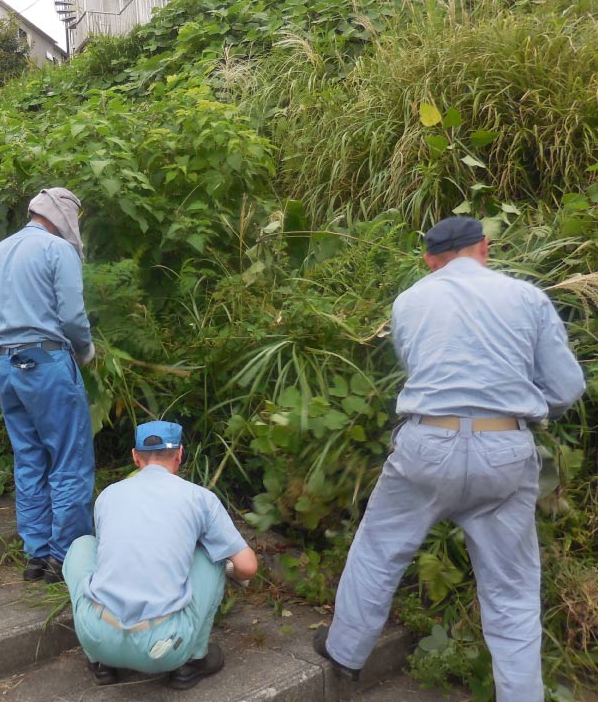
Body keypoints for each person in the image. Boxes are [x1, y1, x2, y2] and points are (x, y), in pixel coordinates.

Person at [315, 216, 585, 702]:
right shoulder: (527, 297)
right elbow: (566, 387)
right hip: (505, 447)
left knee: (379, 549)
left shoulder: (410, 300)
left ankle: (346, 653)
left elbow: (419, 367)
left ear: (430, 261)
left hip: (427, 442)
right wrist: (527, 411)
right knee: (512, 592)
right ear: (484, 247)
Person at [63, 420, 258, 690]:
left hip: (96, 637)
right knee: (214, 556)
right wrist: (227, 570)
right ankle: (191, 661)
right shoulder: (199, 498)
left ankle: (102, 663)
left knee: (83, 545)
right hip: (163, 649)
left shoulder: (108, 495)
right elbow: (247, 567)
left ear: (134, 456)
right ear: (180, 454)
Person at [0, 187, 96, 583]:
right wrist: (85, 351)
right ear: (64, 215)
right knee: (68, 459)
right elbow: (72, 316)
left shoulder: (0, 250)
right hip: (47, 361)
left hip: (7, 365)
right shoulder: (57, 250)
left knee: (29, 459)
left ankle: (37, 555)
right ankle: (66, 559)